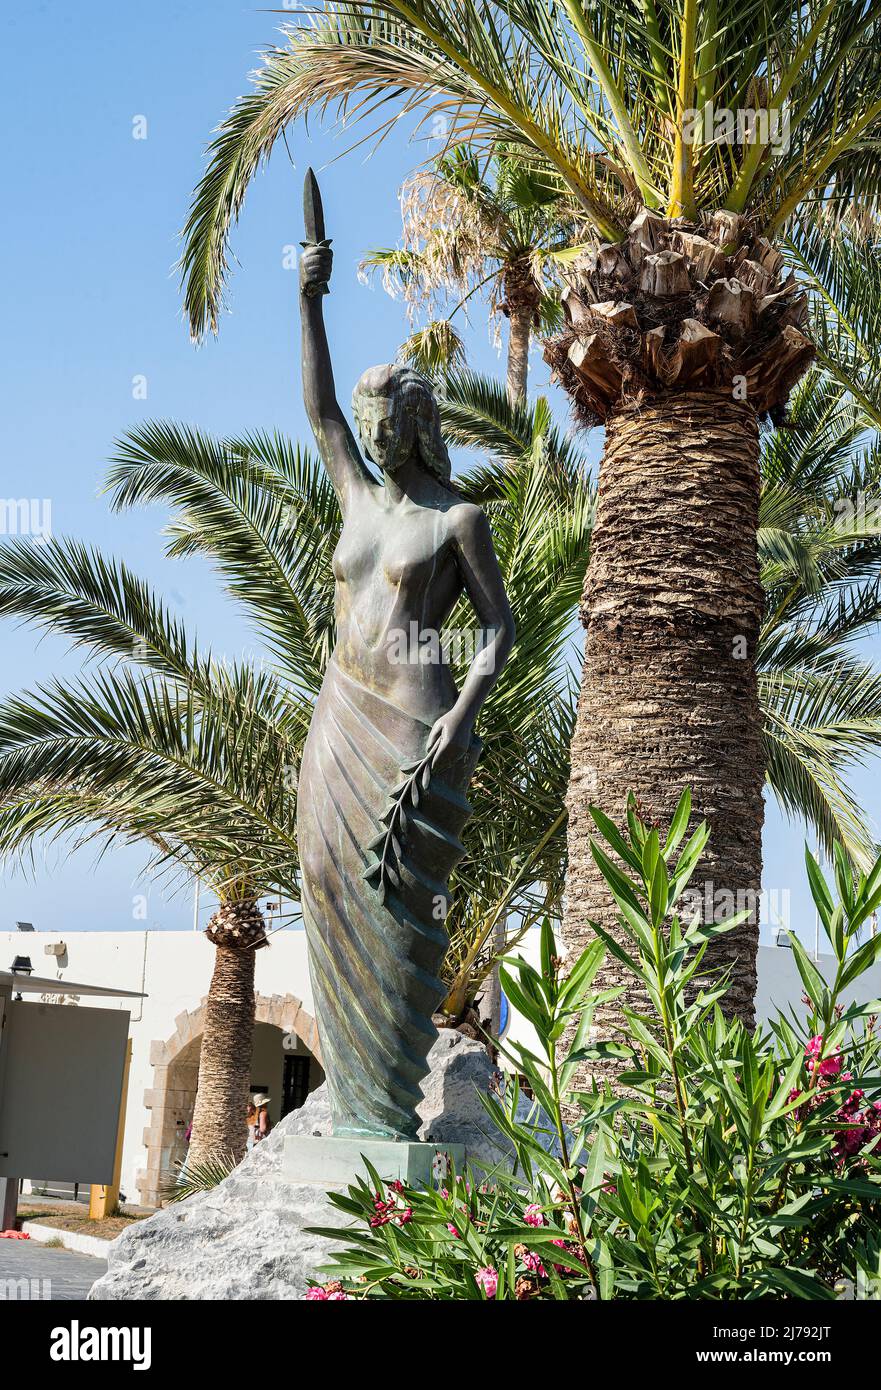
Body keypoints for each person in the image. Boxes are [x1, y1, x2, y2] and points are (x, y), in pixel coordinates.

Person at [297, 230, 515, 1141]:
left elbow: (501, 629)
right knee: (322, 882)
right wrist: (309, 301)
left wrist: (461, 717)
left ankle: (384, 1121)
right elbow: (317, 417)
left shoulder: (456, 519)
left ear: (418, 426)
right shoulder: (355, 498)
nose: (374, 435)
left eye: (388, 423)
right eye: (369, 422)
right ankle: (351, 1111)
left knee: (393, 923)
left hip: (414, 735)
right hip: (337, 724)